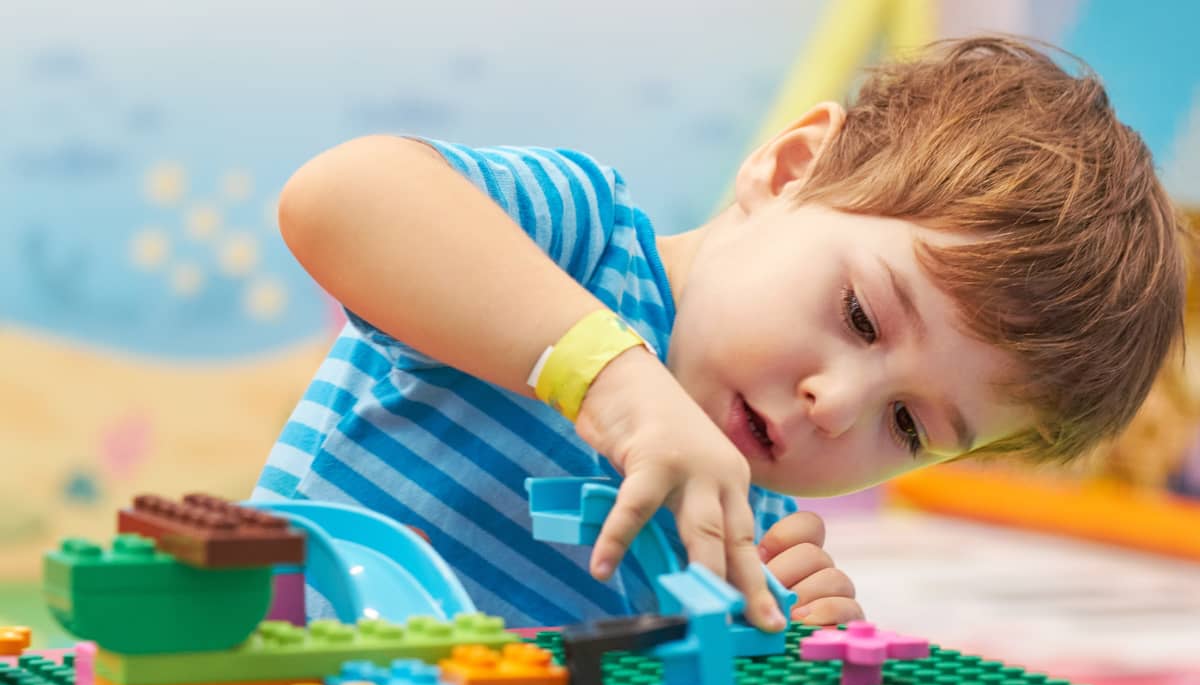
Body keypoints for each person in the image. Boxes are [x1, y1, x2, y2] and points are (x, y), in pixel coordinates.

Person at [253, 37, 1189, 632]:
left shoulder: (753, 524)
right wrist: (611, 378)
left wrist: (775, 639)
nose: (840, 403)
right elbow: (342, 197)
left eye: (909, 426)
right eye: (861, 315)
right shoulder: (580, 242)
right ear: (790, 169)